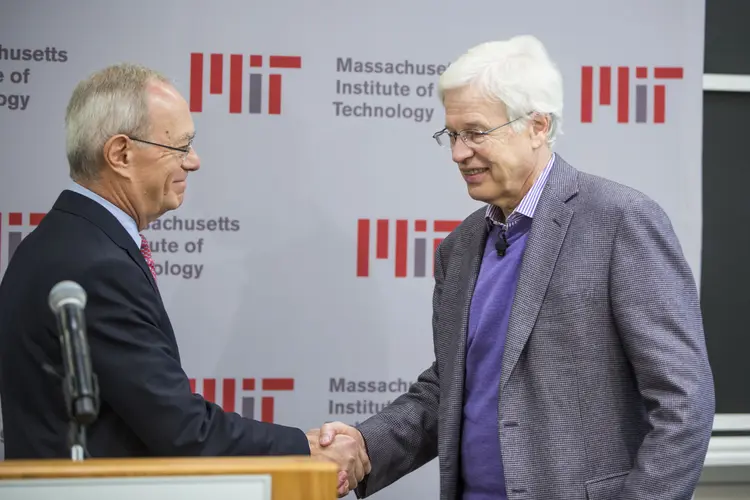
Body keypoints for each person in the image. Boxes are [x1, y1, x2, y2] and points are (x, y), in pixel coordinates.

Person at [312, 35, 715, 499]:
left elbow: (684, 401)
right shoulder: (460, 246)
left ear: (538, 126)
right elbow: (451, 387)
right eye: (452, 134)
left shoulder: (620, 220)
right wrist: (364, 446)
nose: (459, 153)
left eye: (476, 132)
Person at [0, 63, 368, 493]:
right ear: (120, 154)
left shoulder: (59, 241)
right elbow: (181, 430)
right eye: (181, 147)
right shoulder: (96, 266)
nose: (194, 162)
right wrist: (306, 448)